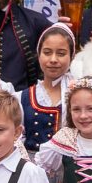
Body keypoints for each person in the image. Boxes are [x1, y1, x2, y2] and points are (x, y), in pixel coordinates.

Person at [19, 22, 73, 151]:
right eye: (47, 52)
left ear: (72, 56)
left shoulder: (78, 93)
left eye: (61, 53)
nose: (53, 59)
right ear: (39, 55)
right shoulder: (22, 97)